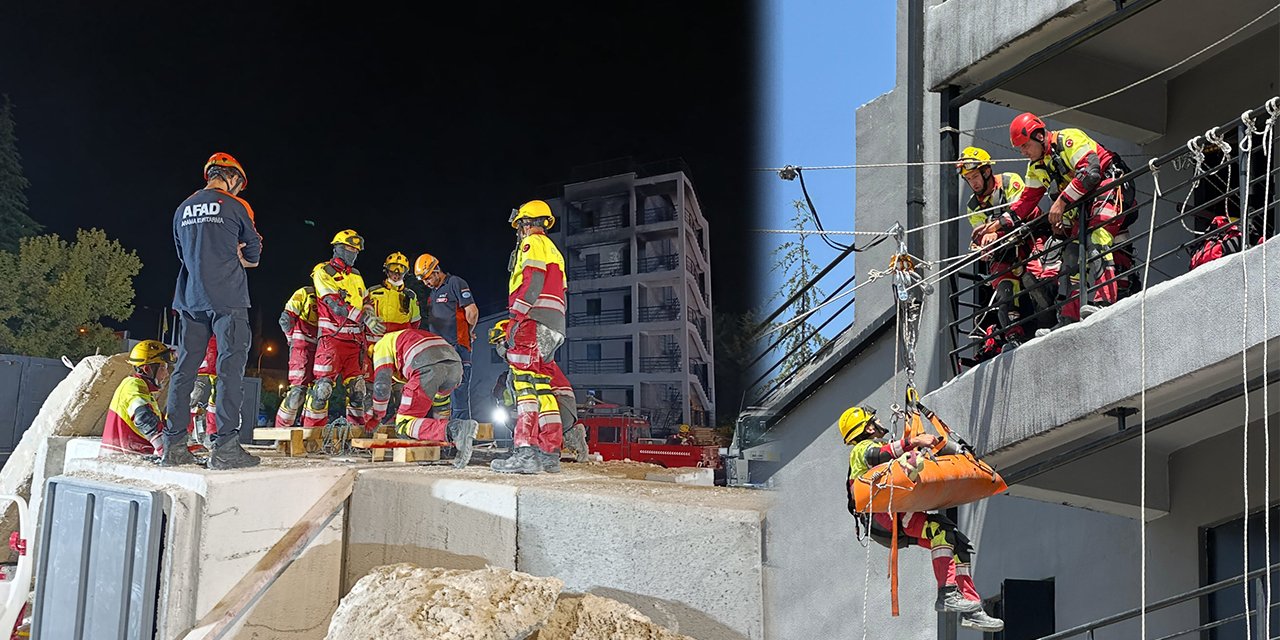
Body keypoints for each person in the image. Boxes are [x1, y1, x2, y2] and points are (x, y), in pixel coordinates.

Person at [839, 405, 1004, 633]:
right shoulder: (862, 449)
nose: (878, 422)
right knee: (939, 529)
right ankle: (946, 595)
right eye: (874, 420)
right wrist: (914, 442)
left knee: (956, 542)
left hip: (893, 514)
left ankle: (971, 609)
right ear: (868, 427)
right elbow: (880, 454)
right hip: (883, 517)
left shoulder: (876, 447)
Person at [163, 152, 261, 469]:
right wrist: (238, 257)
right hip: (228, 298)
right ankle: (225, 448)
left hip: (190, 298)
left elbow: (182, 254)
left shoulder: (182, 209)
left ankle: (173, 446)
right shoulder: (236, 206)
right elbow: (255, 254)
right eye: (238, 184)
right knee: (229, 370)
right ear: (232, 177)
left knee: (185, 371)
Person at [1007, 113, 1137, 335]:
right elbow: (1026, 200)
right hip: (1084, 204)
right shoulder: (1036, 167)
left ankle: (1104, 301)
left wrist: (1061, 203)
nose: (1024, 152)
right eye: (1020, 148)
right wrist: (999, 225)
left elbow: (1091, 172)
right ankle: (1069, 317)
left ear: (1039, 136)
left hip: (1111, 187)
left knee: (1097, 236)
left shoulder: (1068, 139)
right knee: (1071, 254)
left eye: (1026, 146)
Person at [491, 200, 570, 474]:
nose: (520, 231)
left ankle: (525, 452)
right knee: (543, 388)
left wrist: (516, 318)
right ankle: (550, 452)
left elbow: (533, 280)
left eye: (520, 225)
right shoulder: (555, 250)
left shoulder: (531, 244)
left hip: (533, 320)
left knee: (523, 383)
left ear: (526, 223)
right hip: (554, 326)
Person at [956, 146, 1058, 350]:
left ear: (986, 172)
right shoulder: (973, 207)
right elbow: (981, 234)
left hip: (1031, 234)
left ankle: (1048, 323)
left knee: (1034, 278)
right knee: (1004, 287)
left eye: (975, 176)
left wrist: (996, 233)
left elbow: (1020, 212)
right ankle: (1013, 336)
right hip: (1004, 250)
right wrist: (984, 247)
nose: (973, 182)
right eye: (969, 179)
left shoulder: (1010, 181)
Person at [303, 230, 382, 429]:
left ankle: (355, 436)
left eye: (356, 250)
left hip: (355, 342)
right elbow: (335, 305)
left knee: (358, 391)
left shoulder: (356, 276)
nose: (353, 253)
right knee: (323, 390)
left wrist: (370, 313)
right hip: (331, 340)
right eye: (349, 248)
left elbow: (366, 300)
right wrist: (363, 316)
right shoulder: (323, 271)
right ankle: (312, 434)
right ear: (337, 248)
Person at [368, 328, 477, 469]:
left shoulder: (380, 346)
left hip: (426, 365)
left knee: (403, 424)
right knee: (439, 402)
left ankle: (455, 429)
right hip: (454, 365)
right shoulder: (406, 337)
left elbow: (381, 386)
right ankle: (453, 442)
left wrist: (377, 417)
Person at [489, 318, 588, 466]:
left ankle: (526, 449)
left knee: (515, 410)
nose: (499, 348)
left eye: (501, 342)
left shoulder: (523, 363)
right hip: (565, 409)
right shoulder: (538, 356)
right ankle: (567, 435)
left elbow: (522, 403)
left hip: (557, 407)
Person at [415, 253, 478, 422]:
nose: (426, 283)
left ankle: (461, 431)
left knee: (459, 388)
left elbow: (472, 312)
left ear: (436, 270)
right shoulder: (433, 293)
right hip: (439, 351)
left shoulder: (455, 283)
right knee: (439, 390)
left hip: (457, 346)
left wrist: (469, 331)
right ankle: (442, 431)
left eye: (428, 278)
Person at [102, 340, 175, 455]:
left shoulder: (144, 391)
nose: (166, 373)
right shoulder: (134, 385)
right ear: (147, 369)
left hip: (130, 457)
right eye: (162, 368)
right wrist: (164, 448)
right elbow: (143, 417)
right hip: (125, 459)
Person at [275, 282, 320, 427]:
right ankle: (281, 433)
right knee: (297, 393)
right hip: (303, 347)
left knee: (320, 393)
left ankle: (312, 434)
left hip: (323, 349)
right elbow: (285, 319)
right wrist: (292, 338)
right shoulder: (305, 293)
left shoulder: (336, 296)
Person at [188, 337, 219, 446]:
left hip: (218, 359)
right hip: (202, 355)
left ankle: (212, 433)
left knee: (217, 397)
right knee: (193, 396)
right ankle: (184, 433)